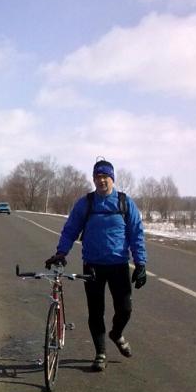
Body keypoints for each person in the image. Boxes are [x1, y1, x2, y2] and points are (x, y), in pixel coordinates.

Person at [44, 159, 147, 371]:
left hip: (118, 265)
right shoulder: (86, 203)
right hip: (92, 266)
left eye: (105, 176)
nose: (101, 180)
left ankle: (116, 334)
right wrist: (61, 252)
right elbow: (70, 229)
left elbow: (136, 233)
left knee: (125, 308)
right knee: (95, 311)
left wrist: (140, 263)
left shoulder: (125, 203)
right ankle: (100, 353)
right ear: (93, 179)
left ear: (112, 179)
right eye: (97, 177)